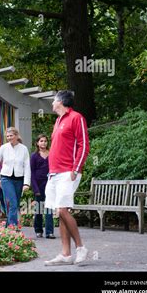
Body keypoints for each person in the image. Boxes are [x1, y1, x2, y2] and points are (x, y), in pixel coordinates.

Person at [44, 90, 90, 266]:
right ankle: (65, 254)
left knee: (63, 209)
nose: (52, 103)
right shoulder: (57, 121)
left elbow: (84, 145)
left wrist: (76, 168)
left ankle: (81, 247)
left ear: (61, 102)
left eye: (54, 100)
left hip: (68, 172)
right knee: (60, 212)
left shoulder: (76, 117)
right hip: (54, 173)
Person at [0, 127, 31, 228]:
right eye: (8, 136)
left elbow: (27, 167)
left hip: (19, 179)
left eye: (11, 136)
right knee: (12, 203)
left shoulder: (24, 149)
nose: (9, 138)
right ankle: (13, 227)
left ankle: (7, 227)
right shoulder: (3, 148)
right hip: (6, 179)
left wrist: (26, 183)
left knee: (15, 204)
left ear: (17, 136)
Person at [30, 134, 55, 239]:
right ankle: (38, 230)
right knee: (39, 209)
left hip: (50, 184)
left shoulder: (52, 154)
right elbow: (32, 173)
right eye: (41, 141)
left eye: (45, 141)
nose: (43, 143)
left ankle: (49, 232)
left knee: (49, 208)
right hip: (39, 185)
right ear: (37, 143)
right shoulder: (34, 156)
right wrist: (35, 188)